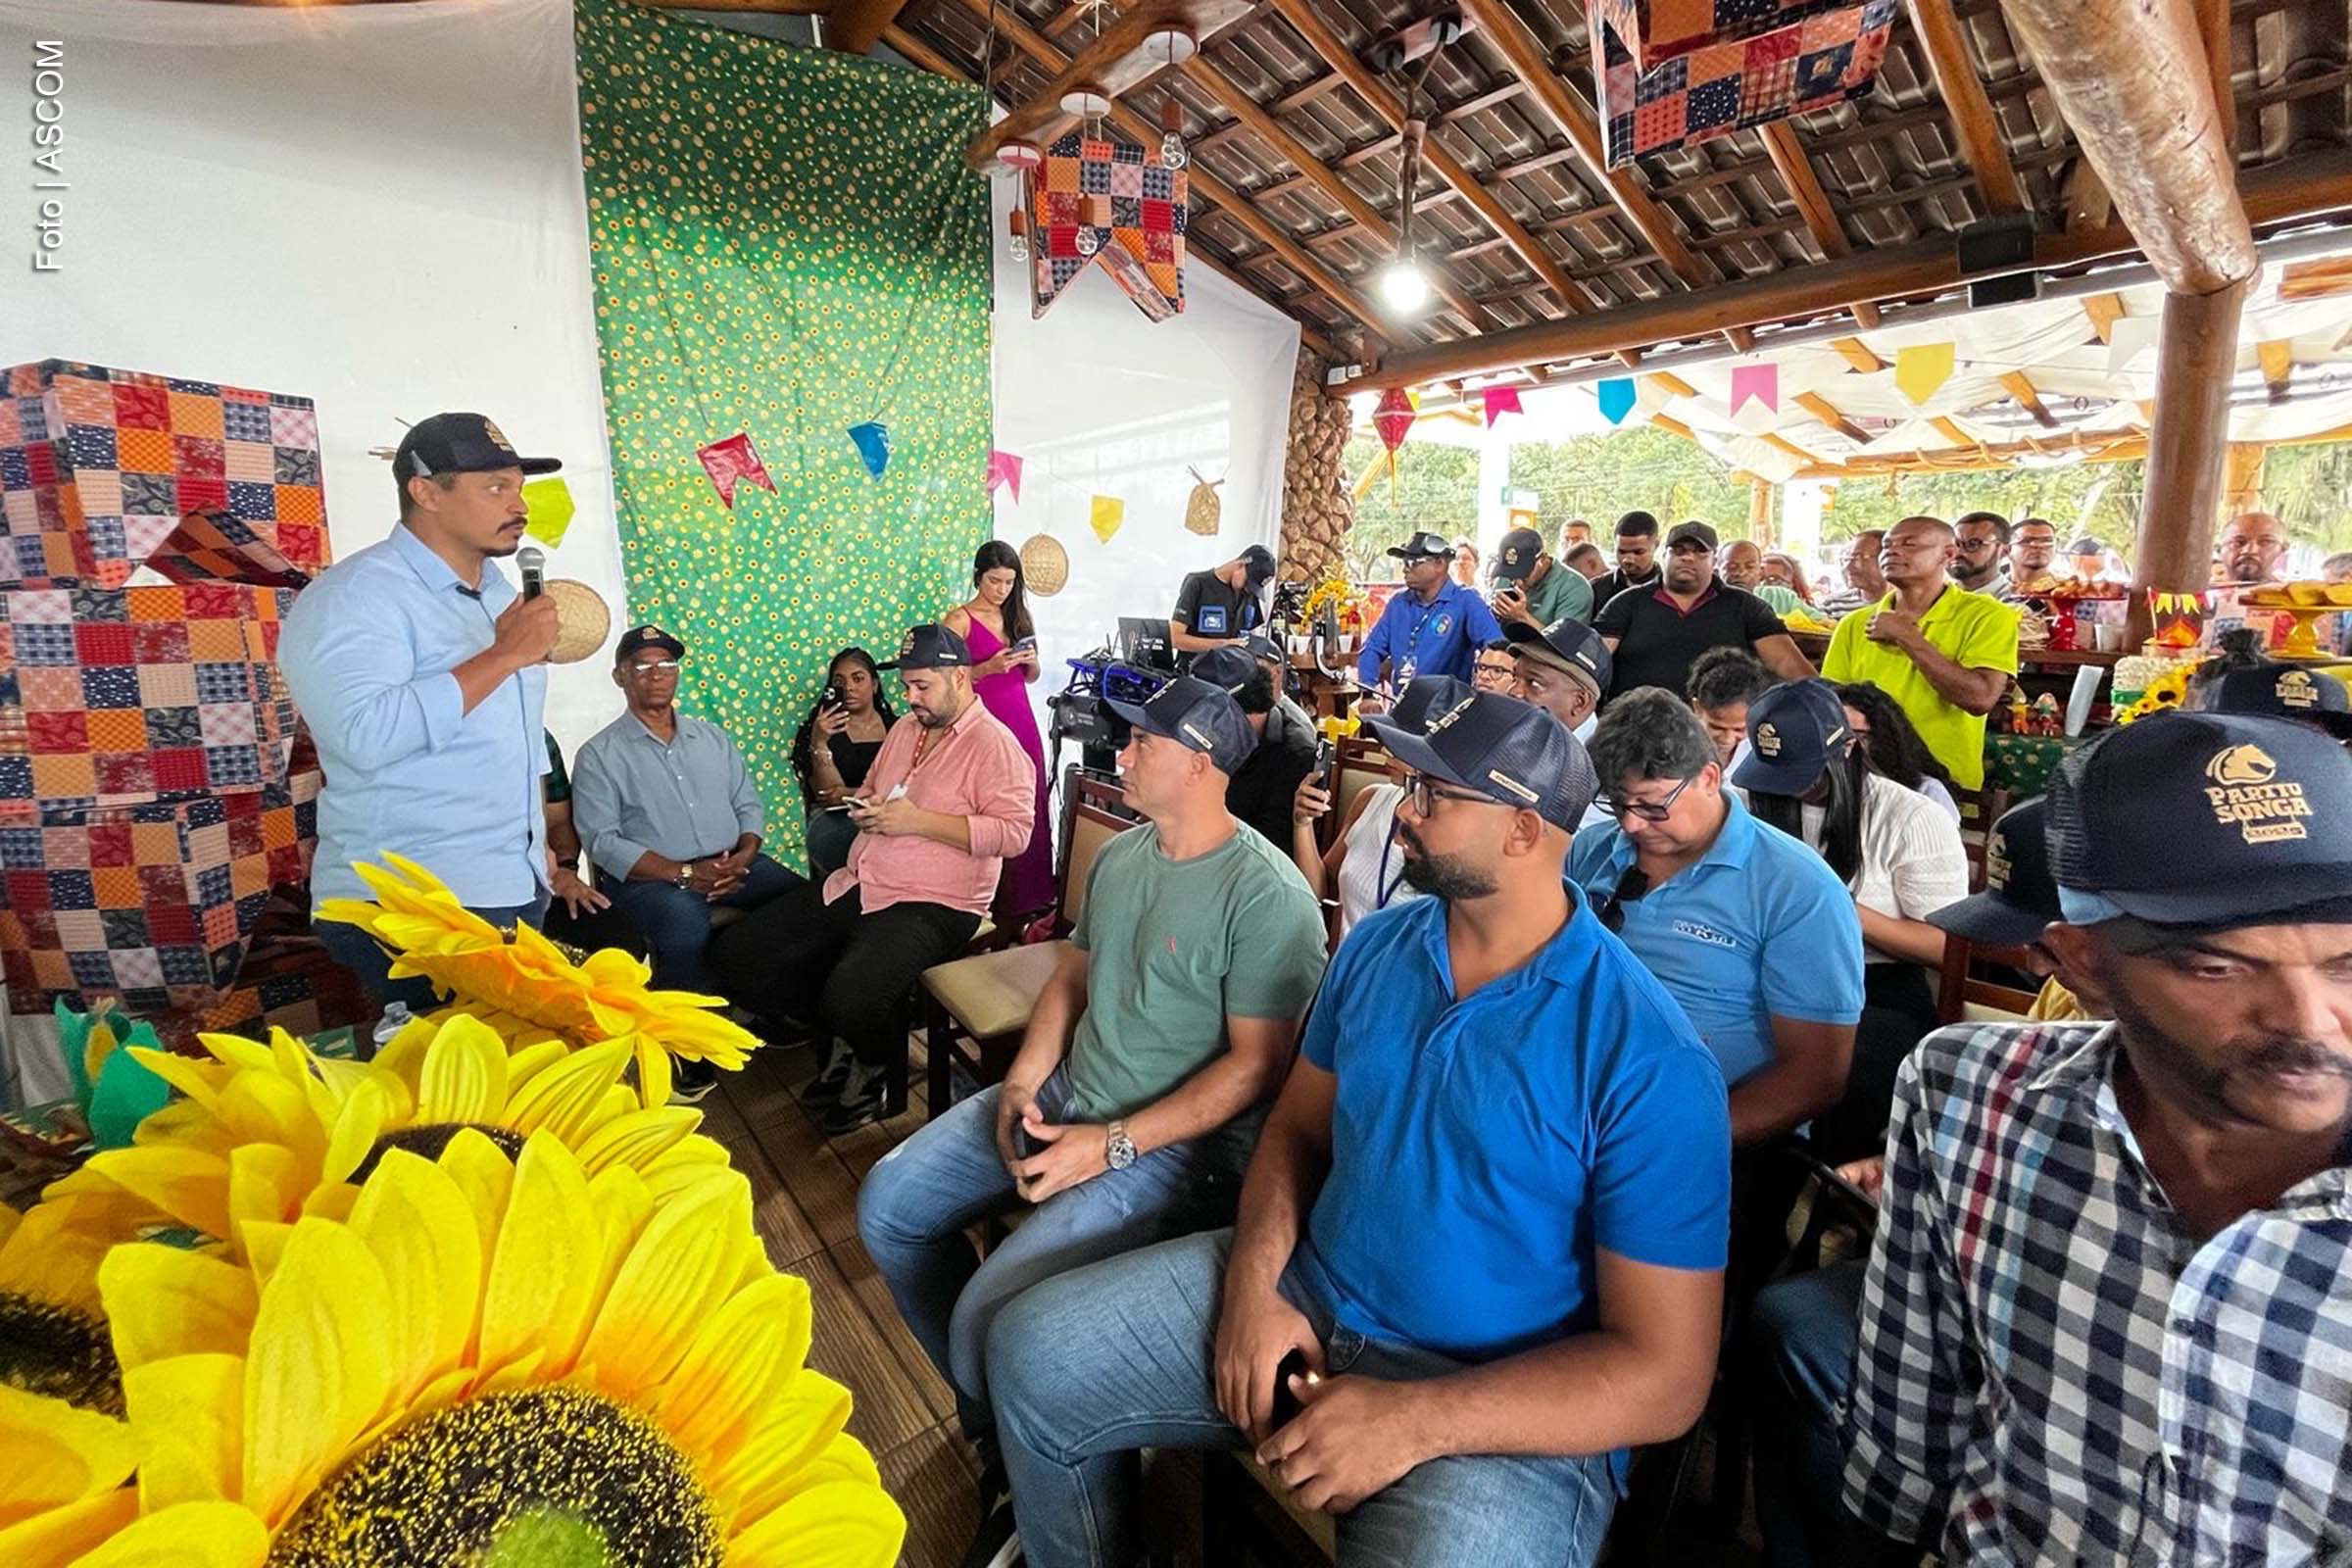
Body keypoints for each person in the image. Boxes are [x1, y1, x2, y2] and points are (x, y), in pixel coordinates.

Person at [983, 689, 1730, 1568]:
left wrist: (1416, 1419)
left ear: (1524, 831)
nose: (1402, 812)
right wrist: (1255, 1287)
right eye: (1411, 787)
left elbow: (1666, 1376)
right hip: (1311, 1289)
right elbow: (1296, 1133)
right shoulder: (1380, 948)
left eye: (1433, 796)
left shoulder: (1647, 1056)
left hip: (1495, 1397)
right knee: (1030, 1354)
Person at [1839, 710, 2352, 1564]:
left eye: (2348, 965)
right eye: (2219, 967)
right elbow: (1906, 1443)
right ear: (2080, 961)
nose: (2309, 1023)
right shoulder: (1971, 1098)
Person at [858, 672, 1326, 1568]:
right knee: (889, 1204)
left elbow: (1256, 1068)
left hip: (1171, 1149)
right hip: (1074, 1090)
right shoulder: (1125, 855)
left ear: (1199, 764)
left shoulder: (1268, 896)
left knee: (984, 1330)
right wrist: (1028, 1077)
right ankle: (1010, 1448)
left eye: (1144, 740)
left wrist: (1108, 1147)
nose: (1124, 750)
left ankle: (1054, 1477)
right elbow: (1074, 972)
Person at [1744, 792, 2085, 1568]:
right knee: (1789, 1315)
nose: (2032, 962)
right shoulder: (2068, 997)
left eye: (2050, 943)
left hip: (2035, 1294)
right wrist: (1908, 1166)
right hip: (1991, 1255)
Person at [282, 412, 564, 1015]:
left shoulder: (498, 592)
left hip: (508, 884)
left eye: (519, 487)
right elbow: (363, 734)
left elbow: (516, 736)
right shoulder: (355, 596)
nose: (519, 505)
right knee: (449, 1073)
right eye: (496, 487)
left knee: (517, 1067)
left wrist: (535, 842)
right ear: (426, 492)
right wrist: (503, 657)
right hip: (409, 903)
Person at [708, 624, 1035, 1135]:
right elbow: (876, 788)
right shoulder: (905, 729)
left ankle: (872, 1066)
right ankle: (842, 1035)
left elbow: (1014, 834)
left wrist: (917, 821)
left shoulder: (995, 745)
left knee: (852, 993)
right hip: (864, 877)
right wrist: (868, 805)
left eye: (922, 686)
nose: (911, 697)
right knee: (740, 953)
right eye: (906, 686)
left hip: (939, 901)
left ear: (960, 677)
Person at [1569, 688, 1863, 1144]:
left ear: (1709, 778)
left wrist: (1680, 1142)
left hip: (1710, 1126)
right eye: (1617, 803)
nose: (1630, 824)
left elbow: (1816, 1074)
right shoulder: (1593, 849)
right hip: (1576, 1099)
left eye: (1652, 805)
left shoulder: (1798, 887)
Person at [1736, 679, 1968, 1161]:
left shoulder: (1910, 816)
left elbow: (1947, 947)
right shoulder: (1745, 800)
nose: (1788, 789)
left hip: (1875, 985)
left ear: (1847, 750)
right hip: (1763, 975)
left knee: (1844, 1077)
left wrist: (1832, 905)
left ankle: (1827, 1183)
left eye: (1803, 774)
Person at [572, 623, 797, 1006]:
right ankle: (687, 1029)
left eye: (666, 664)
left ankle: (764, 1002)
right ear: (620, 676)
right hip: (651, 881)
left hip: (734, 864)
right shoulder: (599, 754)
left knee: (803, 900)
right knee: (685, 926)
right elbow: (602, 841)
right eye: (642, 666)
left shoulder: (712, 738)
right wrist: (686, 874)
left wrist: (744, 856)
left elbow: (747, 804)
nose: (656, 674)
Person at [1821, 515, 2020, 792]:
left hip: (1942, 779)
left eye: (1909, 544)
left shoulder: (1989, 616)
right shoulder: (1854, 623)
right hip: (1863, 775)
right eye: (1887, 546)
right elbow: (1832, 702)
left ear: (1948, 553)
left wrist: (1907, 637)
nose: (1892, 551)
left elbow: (1980, 698)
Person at [1288, 677, 1465, 942]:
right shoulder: (1369, 800)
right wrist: (1302, 824)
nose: (1384, 749)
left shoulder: (1462, 841)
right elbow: (1318, 891)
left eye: (1401, 744)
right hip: (1340, 959)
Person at [946, 540, 1054, 915]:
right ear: (978, 577)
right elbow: (944, 680)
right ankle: (993, 901)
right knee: (990, 804)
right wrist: (985, 669)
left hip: (1021, 716)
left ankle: (1034, 899)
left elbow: (1032, 676)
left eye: (1009, 582)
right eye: (995, 581)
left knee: (1029, 796)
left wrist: (1031, 661)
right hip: (982, 720)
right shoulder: (959, 620)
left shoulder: (1019, 616)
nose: (1002, 590)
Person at [1593, 520, 1815, 700]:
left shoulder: (1747, 607)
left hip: (1721, 730)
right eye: (1678, 551)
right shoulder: (1626, 603)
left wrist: (1827, 705)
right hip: (1634, 723)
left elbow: (1787, 664)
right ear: (1664, 556)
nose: (1688, 557)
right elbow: (1592, 662)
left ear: (1714, 560)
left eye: (1700, 551)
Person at [536, 729, 646, 961]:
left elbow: (558, 821)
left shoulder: (538, 737)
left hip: (539, 884)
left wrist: (566, 869)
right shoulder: (453, 730)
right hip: (473, 893)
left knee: (618, 944)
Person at [1193, 646, 1318, 850]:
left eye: (1206, 714)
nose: (1199, 722)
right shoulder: (1205, 739)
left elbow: (1273, 846)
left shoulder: (1295, 754)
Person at [790, 646, 896, 876]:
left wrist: (850, 793)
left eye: (858, 679)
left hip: (887, 815)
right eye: (839, 682)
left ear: (874, 685)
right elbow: (829, 796)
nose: (849, 688)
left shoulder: (899, 729)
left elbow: (907, 788)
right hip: (837, 821)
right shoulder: (819, 731)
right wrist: (819, 742)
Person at [1355, 530, 1503, 692]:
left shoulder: (1466, 601)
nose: (1405, 569)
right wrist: (1368, 691)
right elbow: (1371, 649)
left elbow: (1496, 646)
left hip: (1449, 705)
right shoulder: (1398, 604)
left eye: (1413, 562)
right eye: (1403, 563)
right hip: (1401, 703)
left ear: (1440, 564)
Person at [1835, 680, 1960, 820]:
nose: (1847, 747)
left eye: (1860, 737)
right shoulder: (1826, 790)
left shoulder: (1928, 792)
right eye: (1838, 737)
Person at [1171, 544, 1276, 655]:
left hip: (1233, 664)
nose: (1247, 589)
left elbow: (1250, 637)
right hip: (1195, 663)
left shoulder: (1249, 594)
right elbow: (1175, 638)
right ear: (1240, 565)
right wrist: (1223, 645)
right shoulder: (1197, 584)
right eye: (1247, 582)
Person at [1489, 524, 1593, 628]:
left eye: (1524, 575)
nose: (1518, 582)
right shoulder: (1504, 579)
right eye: (1510, 574)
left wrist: (1522, 617)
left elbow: (1565, 639)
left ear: (1543, 560)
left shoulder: (1575, 588)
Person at [1687, 644, 1772, 769]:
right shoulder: (1678, 749)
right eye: (1717, 727)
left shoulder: (1764, 755)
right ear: (1697, 708)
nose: (1727, 740)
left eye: (1739, 730)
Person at [1588, 509, 1664, 609]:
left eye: (1638, 552)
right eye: (1622, 552)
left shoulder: (1673, 590)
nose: (1628, 560)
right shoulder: (1595, 590)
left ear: (1656, 545)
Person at [1724, 539, 1802, 615]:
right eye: (1732, 567)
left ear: (1760, 572)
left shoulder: (1783, 598)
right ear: (1717, 571)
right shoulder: (1716, 604)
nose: (1741, 573)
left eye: (1750, 567)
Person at [1819, 530, 1886, 614]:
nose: (1848, 566)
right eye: (1846, 559)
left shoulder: (1900, 606)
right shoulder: (1833, 606)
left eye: (1858, 558)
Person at [2217, 509, 2290, 586]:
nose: (2250, 550)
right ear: (2218, 549)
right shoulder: (2208, 591)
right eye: (2238, 542)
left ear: (2283, 549)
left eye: (2265, 542)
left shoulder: (2291, 593)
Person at [1949, 510, 2009, 595]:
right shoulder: (1936, 595)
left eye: (1973, 544)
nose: (1957, 553)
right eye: (1955, 544)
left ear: (2004, 551)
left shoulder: (2016, 600)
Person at [2003, 515, 2060, 598]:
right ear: (2007, 549)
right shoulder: (1991, 590)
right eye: (2026, 541)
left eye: (2047, 540)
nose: (2038, 545)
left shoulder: (2069, 592)